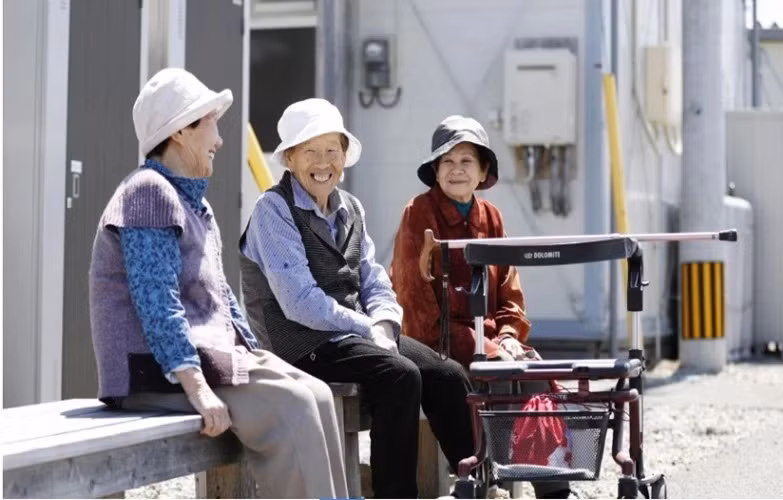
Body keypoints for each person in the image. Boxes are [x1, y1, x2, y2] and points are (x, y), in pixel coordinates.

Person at [88, 68, 347, 499]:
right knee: (295, 407)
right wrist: (200, 391)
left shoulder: (194, 203)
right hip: (151, 372)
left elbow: (219, 294)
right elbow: (159, 305)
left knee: (317, 393)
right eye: (211, 123)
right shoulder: (148, 194)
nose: (220, 139)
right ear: (181, 131)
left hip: (199, 359)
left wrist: (253, 352)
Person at [239, 98, 475, 499]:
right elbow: (300, 303)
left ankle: (477, 482)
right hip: (298, 345)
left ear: (345, 157)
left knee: (448, 375)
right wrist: (369, 326)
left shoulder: (350, 207)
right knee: (399, 375)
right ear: (290, 159)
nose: (323, 161)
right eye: (310, 151)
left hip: (355, 335)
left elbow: (374, 280)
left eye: (332, 150)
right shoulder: (272, 210)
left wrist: (384, 319)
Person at [390, 115, 576, 499]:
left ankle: (553, 488)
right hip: (436, 338)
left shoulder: (492, 217)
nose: (457, 170)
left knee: (535, 369)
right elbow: (414, 298)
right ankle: (493, 479)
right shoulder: (418, 213)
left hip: (490, 338)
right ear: (435, 171)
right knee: (500, 369)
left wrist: (507, 336)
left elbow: (511, 293)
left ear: (483, 171)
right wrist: (484, 344)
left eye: (466, 161)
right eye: (447, 162)